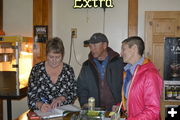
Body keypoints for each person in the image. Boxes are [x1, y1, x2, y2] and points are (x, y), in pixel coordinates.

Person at [27, 37, 77, 112]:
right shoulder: (37, 70)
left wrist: (61, 98)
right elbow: (31, 97)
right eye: (51, 57)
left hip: (62, 113)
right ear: (46, 55)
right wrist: (40, 105)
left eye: (57, 57)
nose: (54, 60)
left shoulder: (68, 70)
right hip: (42, 113)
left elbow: (73, 92)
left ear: (62, 55)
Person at [77, 33, 124, 111]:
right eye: (90, 46)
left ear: (104, 45)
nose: (92, 49)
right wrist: (84, 103)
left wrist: (122, 104)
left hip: (116, 110)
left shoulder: (119, 63)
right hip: (95, 111)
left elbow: (127, 86)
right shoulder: (86, 66)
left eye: (95, 46)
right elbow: (81, 87)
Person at [120, 36, 163, 119]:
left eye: (123, 49)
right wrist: (121, 106)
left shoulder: (150, 74)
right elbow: (132, 99)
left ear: (134, 49)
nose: (121, 53)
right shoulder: (128, 72)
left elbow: (153, 110)